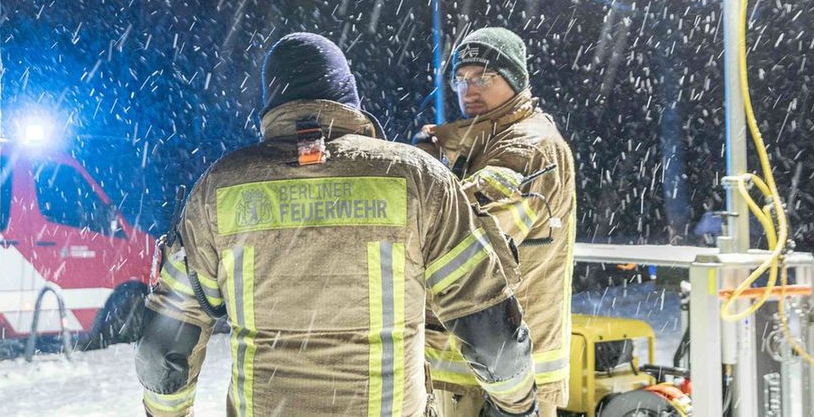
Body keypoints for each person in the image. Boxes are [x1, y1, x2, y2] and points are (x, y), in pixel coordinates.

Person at [136, 32, 540, 417]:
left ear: (273, 100)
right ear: (347, 96)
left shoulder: (218, 188)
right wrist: (518, 406)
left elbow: (163, 348)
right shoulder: (416, 179)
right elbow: (491, 332)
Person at [417, 27, 577, 417]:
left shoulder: (529, 147)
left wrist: (416, 173)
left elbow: (467, 231)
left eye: (484, 78)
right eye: (461, 79)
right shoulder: (485, 139)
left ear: (515, 80)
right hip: (479, 367)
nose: (469, 90)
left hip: (505, 379)